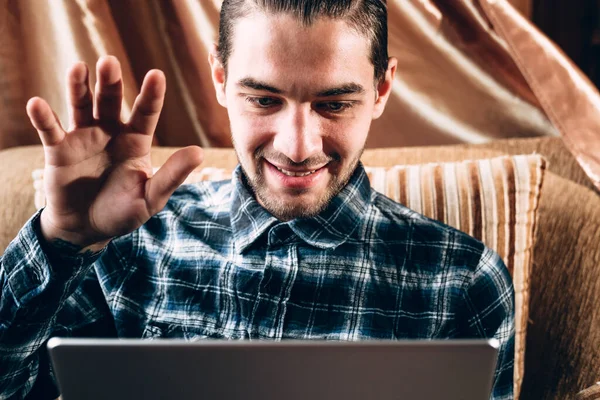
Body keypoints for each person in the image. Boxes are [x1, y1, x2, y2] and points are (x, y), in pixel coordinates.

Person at [0, 0, 514, 399]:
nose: (297, 147)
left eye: (334, 103)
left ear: (381, 90)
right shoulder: (127, 241)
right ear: (220, 79)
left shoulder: (464, 282)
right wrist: (63, 240)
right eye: (264, 99)